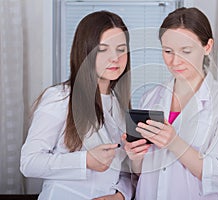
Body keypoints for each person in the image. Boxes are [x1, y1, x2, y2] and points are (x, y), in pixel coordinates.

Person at [122, 7, 218, 200]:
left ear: (207, 47)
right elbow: (141, 174)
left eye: (186, 51)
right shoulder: (150, 98)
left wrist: (174, 143)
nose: (174, 61)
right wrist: (135, 158)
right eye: (167, 51)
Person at [20, 11, 133, 200]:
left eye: (121, 49)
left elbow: (123, 171)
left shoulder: (119, 106)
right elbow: (29, 162)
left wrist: (120, 195)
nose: (115, 58)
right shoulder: (60, 98)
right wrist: (85, 161)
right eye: (103, 49)